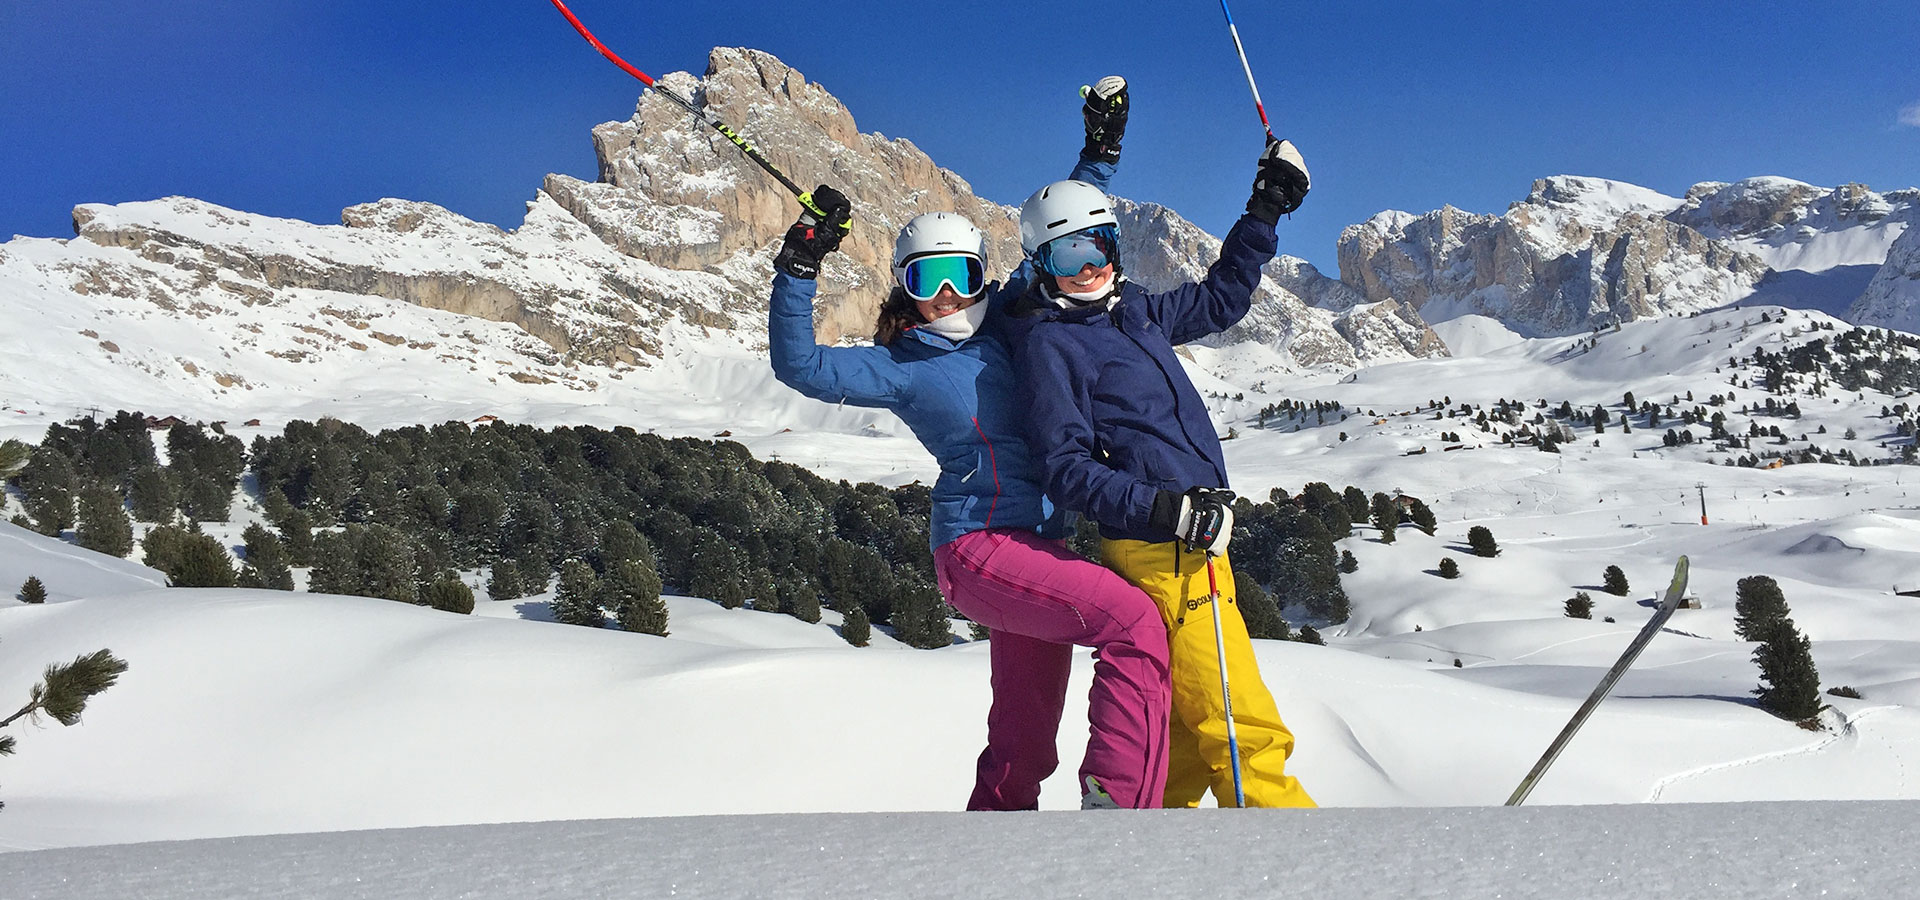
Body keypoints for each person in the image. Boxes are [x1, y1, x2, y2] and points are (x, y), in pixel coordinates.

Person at [766, 78, 1171, 810]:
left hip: (1038, 550)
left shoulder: (1016, 316)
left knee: (1024, 740)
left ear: (987, 273)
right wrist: (801, 262)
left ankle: (988, 859)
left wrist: (1101, 150)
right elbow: (802, 365)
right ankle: (1119, 817)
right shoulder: (901, 367)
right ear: (905, 287)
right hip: (979, 548)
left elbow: (1067, 229)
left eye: (963, 273)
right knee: (1135, 624)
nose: (948, 294)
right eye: (929, 278)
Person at [1003, 138, 1316, 808]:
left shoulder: (1134, 312)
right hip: (1159, 549)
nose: (1085, 268)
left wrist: (1265, 210)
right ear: (1040, 265)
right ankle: (1312, 862)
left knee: (1180, 736)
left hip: (1198, 541)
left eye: (1096, 248)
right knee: (1238, 727)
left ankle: (1143, 859)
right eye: (1066, 255)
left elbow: (1222, 299)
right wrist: (1166, 510)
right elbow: (1065, 469)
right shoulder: (1049, 345)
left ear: (1116, 246)